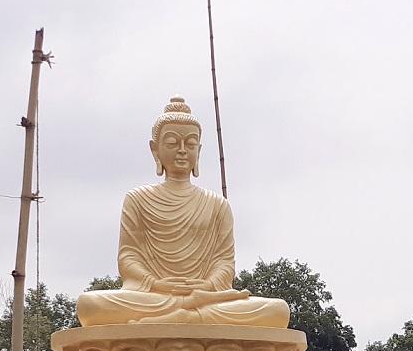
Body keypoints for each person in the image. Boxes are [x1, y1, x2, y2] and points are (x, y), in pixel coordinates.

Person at [76, 98, 290, 328]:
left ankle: (186, 316)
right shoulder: (138, 199)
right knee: (89, 306)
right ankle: (185, 314)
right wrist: (157, 285)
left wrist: (207, 287)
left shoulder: (217, 204)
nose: (181, 150)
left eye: (190, 143)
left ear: (199, 149)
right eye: (171, 142)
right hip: (155, 297)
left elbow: (224, 263)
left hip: (207, 299)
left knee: (277, 310)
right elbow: (128, 257)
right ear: (154, 148)